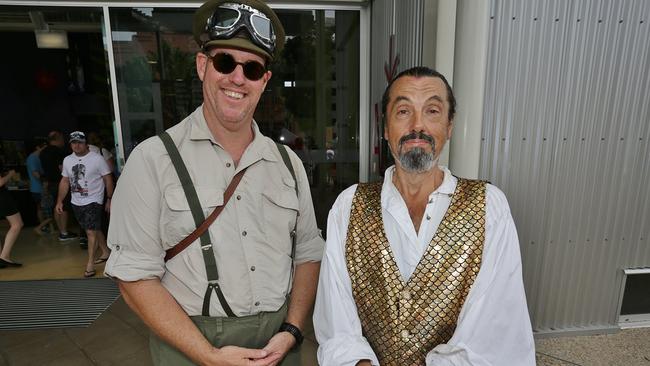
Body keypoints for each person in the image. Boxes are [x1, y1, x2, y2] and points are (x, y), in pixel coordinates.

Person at [104, 1, 324, 365]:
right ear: (203, 66)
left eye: (252, 69)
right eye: (225, 63)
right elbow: (133, 278)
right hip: (191, 346)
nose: (238, 78)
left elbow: (308, 254)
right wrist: (206, 355)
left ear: (264, 81)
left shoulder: (288, 164)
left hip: (278, 346)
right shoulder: (152, 160)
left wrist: (293, 330)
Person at [313, 67, 536, 366]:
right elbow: (335, 321)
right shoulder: (349, 206)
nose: (417, 125)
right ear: (385, 127)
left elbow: (495, 331)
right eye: (403, 110)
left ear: (450, 125)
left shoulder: (488, 207)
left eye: (432, 110)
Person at [56, 131, 113, 278]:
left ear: (86, 144)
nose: (76, 145)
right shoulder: (68, 160)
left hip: (94, 199)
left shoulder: (97, 159)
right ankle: (106, 252)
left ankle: (90, 265)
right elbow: (65, 181)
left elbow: (108, 178)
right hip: (76, 201)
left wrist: (109, 198)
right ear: (70, 144)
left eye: (79, 142)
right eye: (73, 142)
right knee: (93, 227)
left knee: (90, 232)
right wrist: (59, 201)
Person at [40, 131, 78, 241]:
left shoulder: (43, 152)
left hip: (50, 183)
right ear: (57, 139)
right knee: (64, 206)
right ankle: (64, 233)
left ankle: (62, 231)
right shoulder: (58, 152)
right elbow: (62, 168)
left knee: (57, 206)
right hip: (60, 182)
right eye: (62, 138)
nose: (63, 141)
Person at [26, 139, 54, 235]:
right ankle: (41, 227)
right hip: (38, 188)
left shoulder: (38, 157)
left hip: (39, 188)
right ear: (38, 147)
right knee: (46, 209)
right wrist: (46, 181)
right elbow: (36, 174)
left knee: (41, 209)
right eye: (44, 146)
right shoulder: (32, 158)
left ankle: (47, 228)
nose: (46, 148)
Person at [0, 166, 23, 268]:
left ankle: (1, 258)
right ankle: (4, 256)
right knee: (17, 224)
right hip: (1, 197)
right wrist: (11, 173)